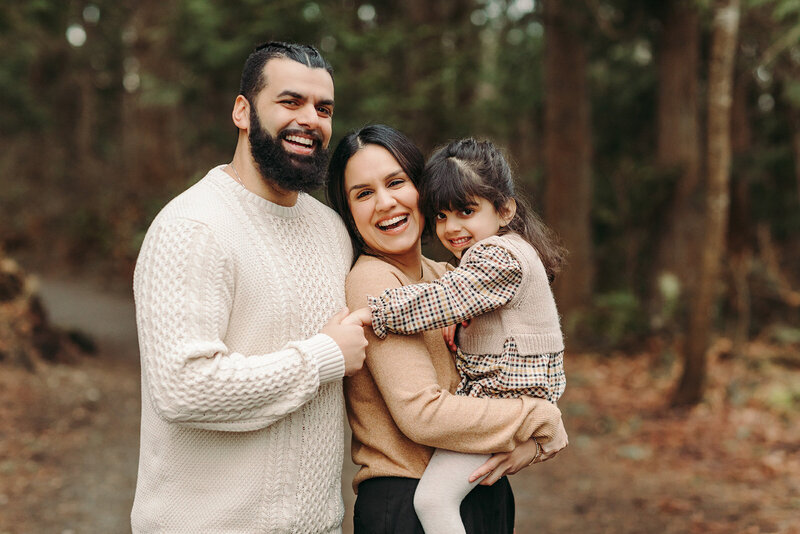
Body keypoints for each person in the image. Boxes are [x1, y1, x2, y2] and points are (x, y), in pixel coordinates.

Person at [130, 42, 368, 533]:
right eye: (290, 101)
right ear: (243, 111)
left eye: (323, 109)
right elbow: (183, 388)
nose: (311, 119)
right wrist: (322, 356)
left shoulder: (330, 229)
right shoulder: (193, 227)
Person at [326, 124, 568, 534]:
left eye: (396, 182)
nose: (385, 202)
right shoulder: (374, 283)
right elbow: (424, 415)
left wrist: (530, 444)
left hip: (478, 493)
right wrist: (540, 419)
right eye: (364, 194)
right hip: (408, 501)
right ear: (349, 213)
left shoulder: (449, 275)